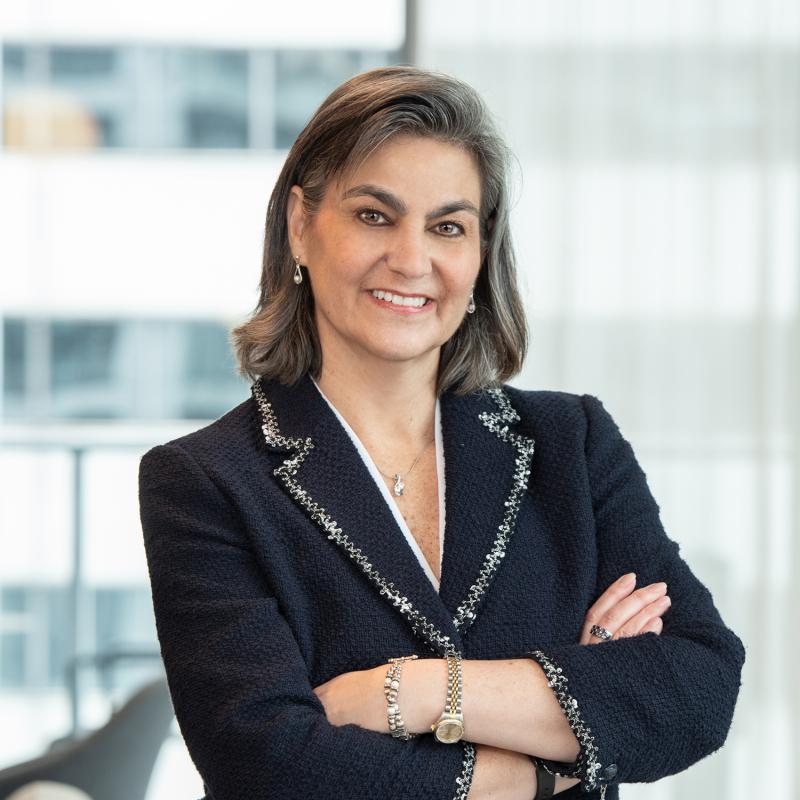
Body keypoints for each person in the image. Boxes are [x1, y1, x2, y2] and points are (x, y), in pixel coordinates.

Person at [138, 65, 745, 800]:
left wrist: (415, 691)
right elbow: (271, 763)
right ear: (301, 226)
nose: (412, 259)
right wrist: (556, 755)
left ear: (478, 252)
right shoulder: (207, 481)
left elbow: (698, 686)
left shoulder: (570, 443)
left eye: (447, 226)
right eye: (373, 215)